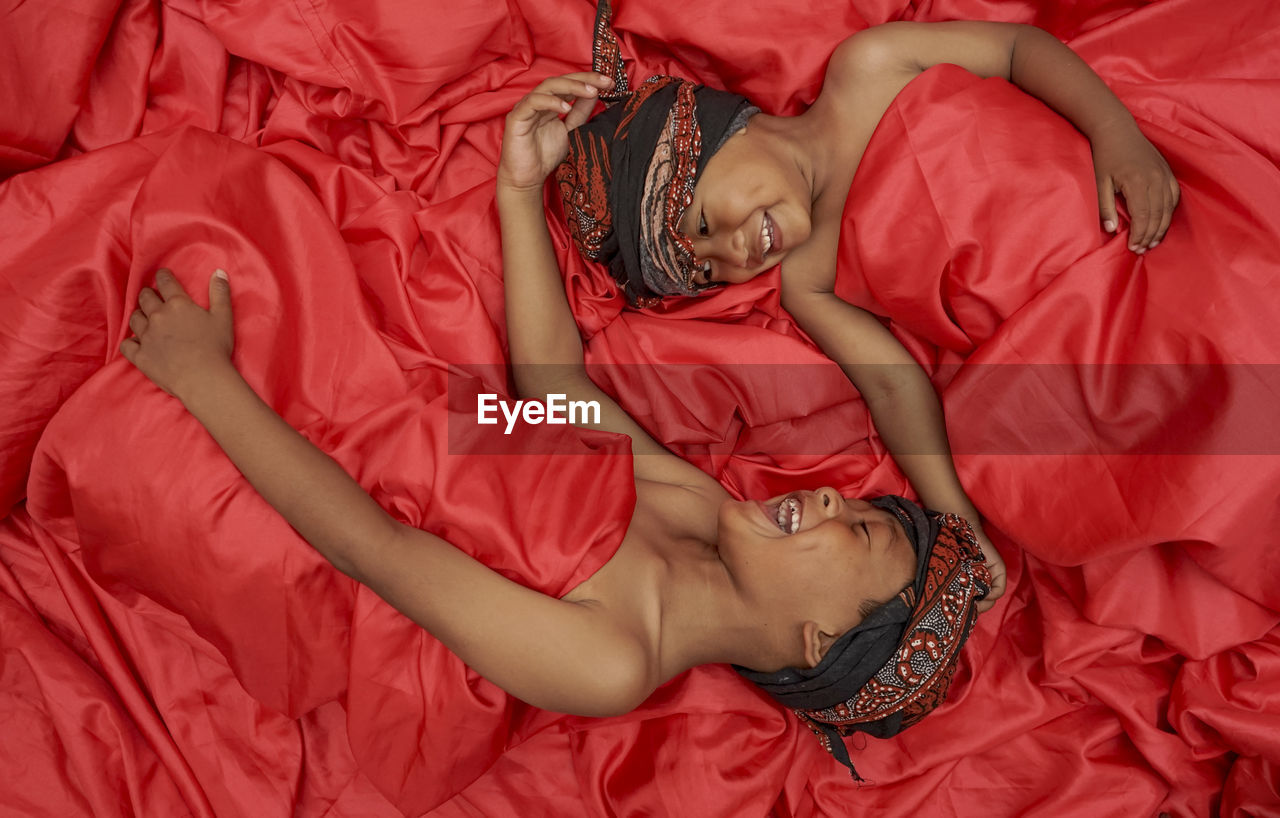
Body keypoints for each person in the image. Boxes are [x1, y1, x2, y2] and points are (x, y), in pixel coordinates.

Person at [114, 75, 998, 777]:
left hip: (302, 498)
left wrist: (205, 383)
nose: (839, 498)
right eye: (865, 507)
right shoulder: (702, 510)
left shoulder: (611, 661)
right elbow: (547, 397)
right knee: (228, 209)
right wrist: (518, 185)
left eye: (863, 531)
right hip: (410, 411)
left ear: (816, 641)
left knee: (137, 275)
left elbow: (372, 549)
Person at [556, 2, 1178, 592]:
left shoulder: (870, 66)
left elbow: (1018, 48)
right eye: (708, 272)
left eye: (702, 226)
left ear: (716, 131)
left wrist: (1114, 133)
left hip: (1129, 242)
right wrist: (957, 519)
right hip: (1059, 344)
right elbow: (892, 385)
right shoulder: (807, 279)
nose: (733, 254)